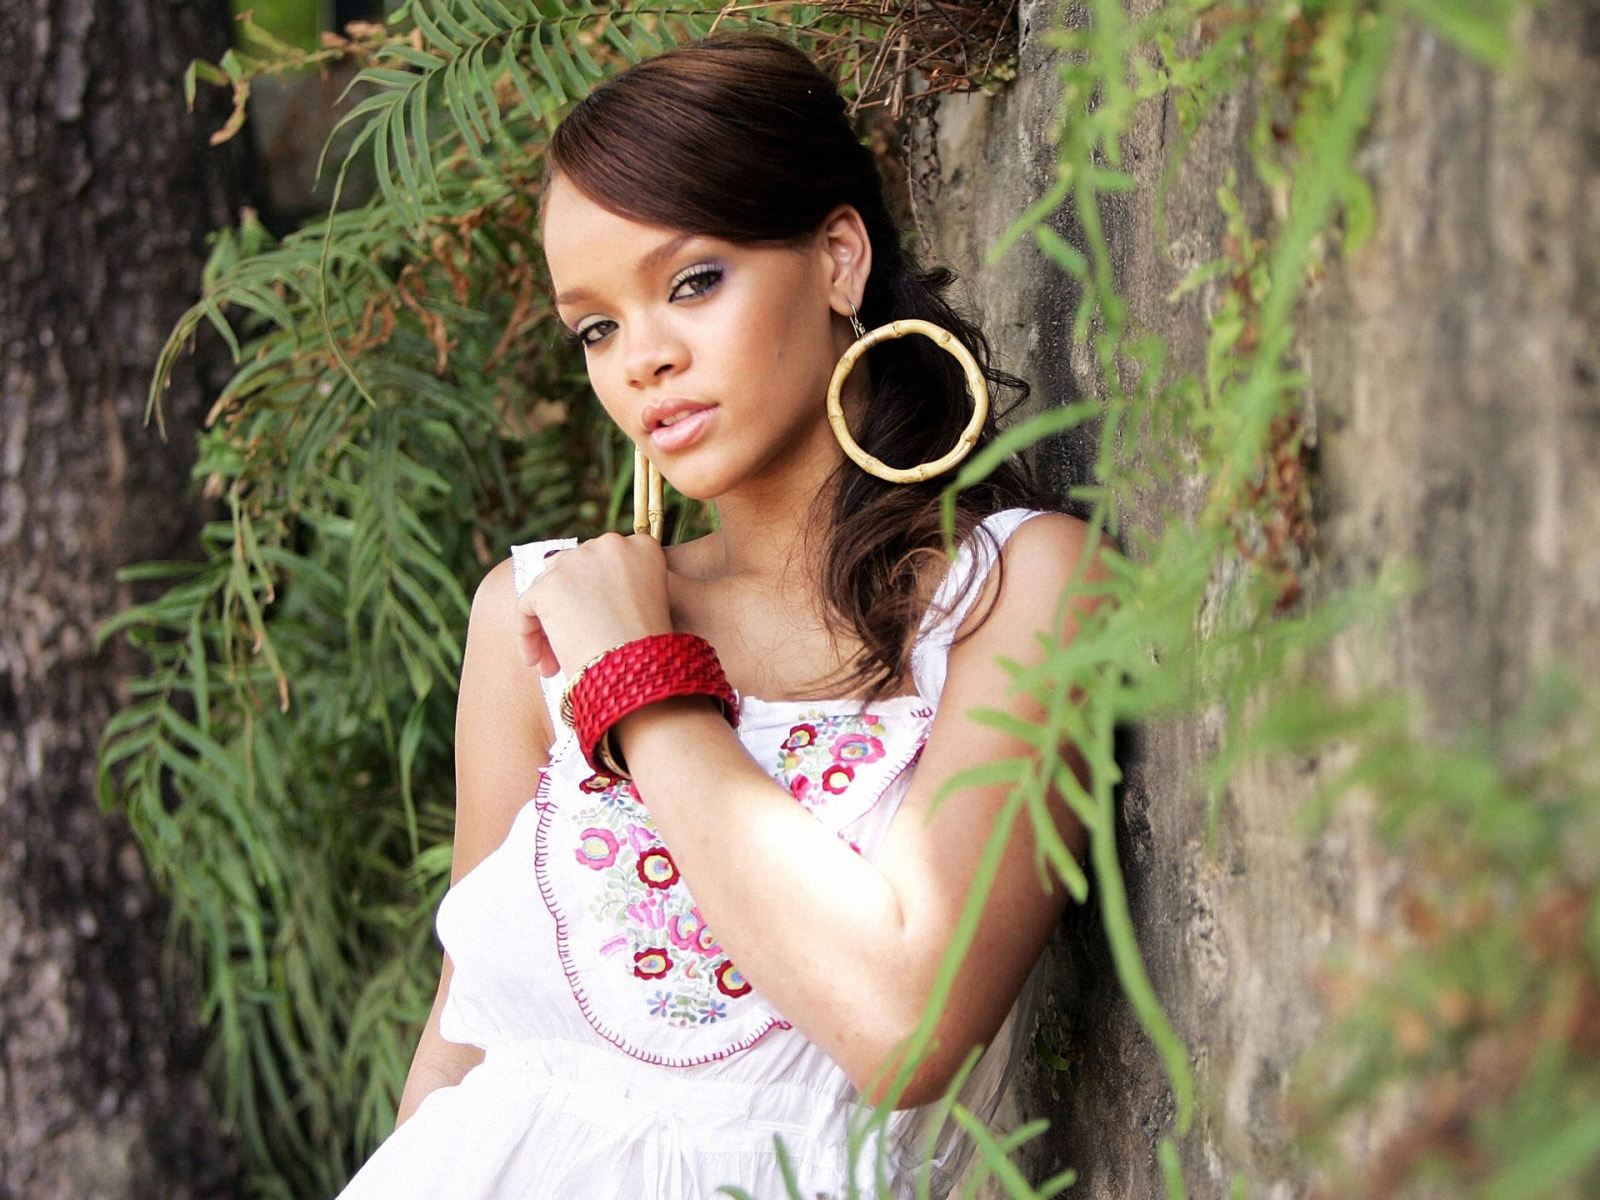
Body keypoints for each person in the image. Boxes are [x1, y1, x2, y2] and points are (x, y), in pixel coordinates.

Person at [335, 31, 1102, 1200]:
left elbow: (905, 1028)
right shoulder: (535, 616)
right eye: (595, 327)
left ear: (837, 258)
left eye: (691, 282)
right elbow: (463, 1041)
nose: (640, 359)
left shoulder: (1011, 591)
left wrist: (640, 680)